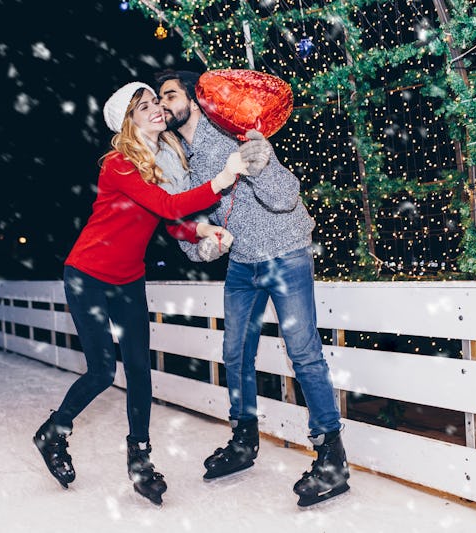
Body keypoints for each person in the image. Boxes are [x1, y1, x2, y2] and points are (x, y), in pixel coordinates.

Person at [33, 81, 247, 505]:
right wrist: (222, 179)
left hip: (129, 277)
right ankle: (53, 433)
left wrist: (203, 229)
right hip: (88, 274)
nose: (154, 109)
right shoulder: (118, 163)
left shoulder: (163, 164)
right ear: (128, 121)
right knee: (100, 371)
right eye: (143, 106)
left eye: (155, 103)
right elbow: (168, 207)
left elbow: (169, 222)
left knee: (139, 371)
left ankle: (141, 460)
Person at [156, 70, 350, 507]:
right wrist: (206, 249)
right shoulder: (183, 158)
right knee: (235, 351)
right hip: (243, 263)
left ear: (194, 98)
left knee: (302, 350)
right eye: (160, 98)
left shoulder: (231, 130)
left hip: (284, 251)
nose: (164, 104)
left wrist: (261, 164)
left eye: (170, 95)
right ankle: (244, 441)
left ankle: (332, 458)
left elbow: (286, 196)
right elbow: (185, 226)